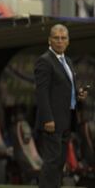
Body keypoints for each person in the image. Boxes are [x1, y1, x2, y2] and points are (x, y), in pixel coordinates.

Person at [34, 24, 87, 188]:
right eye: (56, 38)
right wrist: (48, 119)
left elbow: (63, 90)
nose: (59, 41)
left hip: (66, 120)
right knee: (51, 162)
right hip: (52, 122)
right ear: (49, 40)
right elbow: (42, 93)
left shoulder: (68, 61)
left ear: (68, 41)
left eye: (63, 38)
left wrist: (77, 95)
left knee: (59, 163)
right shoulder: (44, 61)